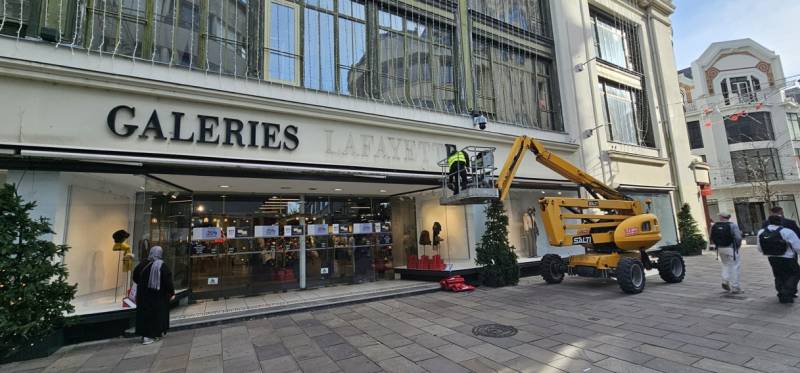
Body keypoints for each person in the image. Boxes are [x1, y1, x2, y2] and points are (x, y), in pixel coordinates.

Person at [132, 246, 175, 345]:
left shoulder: (142, 264)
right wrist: (172, 292)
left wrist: (143, 285)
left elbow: (135, 277)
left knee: (144, 315)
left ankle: (146, 336)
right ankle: (154, 334)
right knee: (156, 315)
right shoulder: (161, 265)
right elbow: (167, 281)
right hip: (157, 296)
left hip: (143, 295)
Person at [757, 214, 800, 303]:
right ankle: (786, 292)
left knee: (779, 275)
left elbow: (759, 248)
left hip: (772, 258)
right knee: (795, 274)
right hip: (787, 257)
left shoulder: (761, 232)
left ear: (769, 221)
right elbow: (798, 247)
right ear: (781, 221)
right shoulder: (787, 231)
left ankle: (781, 292)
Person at [709, 212, 743, 293]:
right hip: (731, 248)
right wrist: (737, 247)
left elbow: (711, 236)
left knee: (725, 264)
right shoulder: (733, 225)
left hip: (720, 248)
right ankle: (735, 287)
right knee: (735, 266)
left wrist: (717, 244)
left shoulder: (714, 225)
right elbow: (738, 238)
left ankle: (725, 281)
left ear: (721, 217)